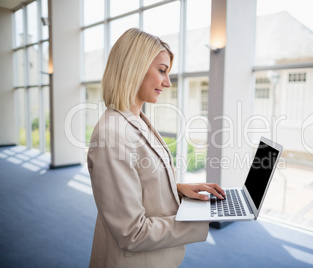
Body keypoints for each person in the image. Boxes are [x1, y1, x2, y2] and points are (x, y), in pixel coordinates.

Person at [87, 28, 226, 268]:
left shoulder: (135, 119)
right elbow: (132, 232)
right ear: (135, 67)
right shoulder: (112, 135)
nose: (168, 83)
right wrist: (201, 218)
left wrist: (179, 190)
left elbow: (141, 183)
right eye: (162, 70)